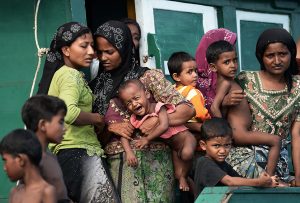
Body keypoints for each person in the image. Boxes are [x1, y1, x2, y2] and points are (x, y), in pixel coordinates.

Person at [89, 20, 195, 202]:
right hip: (120, 166)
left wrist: (158, 120)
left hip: (157, 161)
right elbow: (93, 137)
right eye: (99, 52)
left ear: (124, 48)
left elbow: (187, 110)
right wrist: (111, 128)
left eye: (110, 51)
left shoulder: (148, 77)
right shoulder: (95, 89)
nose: (103, 57)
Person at [37, 22, 120, 202]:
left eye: (92, 46)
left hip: (67, 154)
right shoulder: (70, 75)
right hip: (79, 152)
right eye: (84, 46)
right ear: (66, 50)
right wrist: (97, 119)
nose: (91, 52)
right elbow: (69, 112)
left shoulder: (63, 74)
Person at [226, 28, 300, 186]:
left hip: (280, 164)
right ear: (260, 56)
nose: (277, 61)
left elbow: (297, 136)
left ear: (291, 55)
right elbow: (237, 131)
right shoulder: (246, 80)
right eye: (270, 55)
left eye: (283, 54)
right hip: (245, 161)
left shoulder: (298, 86)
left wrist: (299, 176)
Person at [118, 79, 196, 191]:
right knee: (177, 175)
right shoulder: (135, 119)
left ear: (147, 94)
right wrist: (129, 152)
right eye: (129, 103)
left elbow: (164, 125)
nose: (134, 104)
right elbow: (124, 136)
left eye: (136, 98)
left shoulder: (158, 107)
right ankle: (187, 183)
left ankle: (185, 178)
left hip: (186, 138)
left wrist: (147, 139)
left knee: (186, 155)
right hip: (174, 148)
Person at [194, 118, 278, 198]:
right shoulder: (204, 162)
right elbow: (230, 181)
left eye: (227, 145)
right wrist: (259, 182)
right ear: (203, 145)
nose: (223, 151)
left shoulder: (224, 165)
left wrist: (268, 181)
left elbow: (241, 181)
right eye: (216, 146)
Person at [21, 95, 70, 202]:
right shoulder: (34, 161)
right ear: (42, 125)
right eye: (60, 122)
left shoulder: (50, 157)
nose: (64, 128)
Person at [0, 129, 56, 203]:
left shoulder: (46, 192)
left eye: (5, 160)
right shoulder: (14, 193)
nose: (4, 168)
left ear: (20, 160)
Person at [195, 28, 244, 112]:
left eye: (235, 60)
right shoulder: (195, 85)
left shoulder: (236, 81)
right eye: (226, 61)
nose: (233, 65)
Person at [168, 51, 211, 135]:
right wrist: (209, 121)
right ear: (176, 77)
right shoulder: (193, 92)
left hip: (175, 128)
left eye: (195, 71)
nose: (195, 75)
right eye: (189, 72)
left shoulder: (171, 90)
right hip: (193, 129)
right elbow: (201, 114)